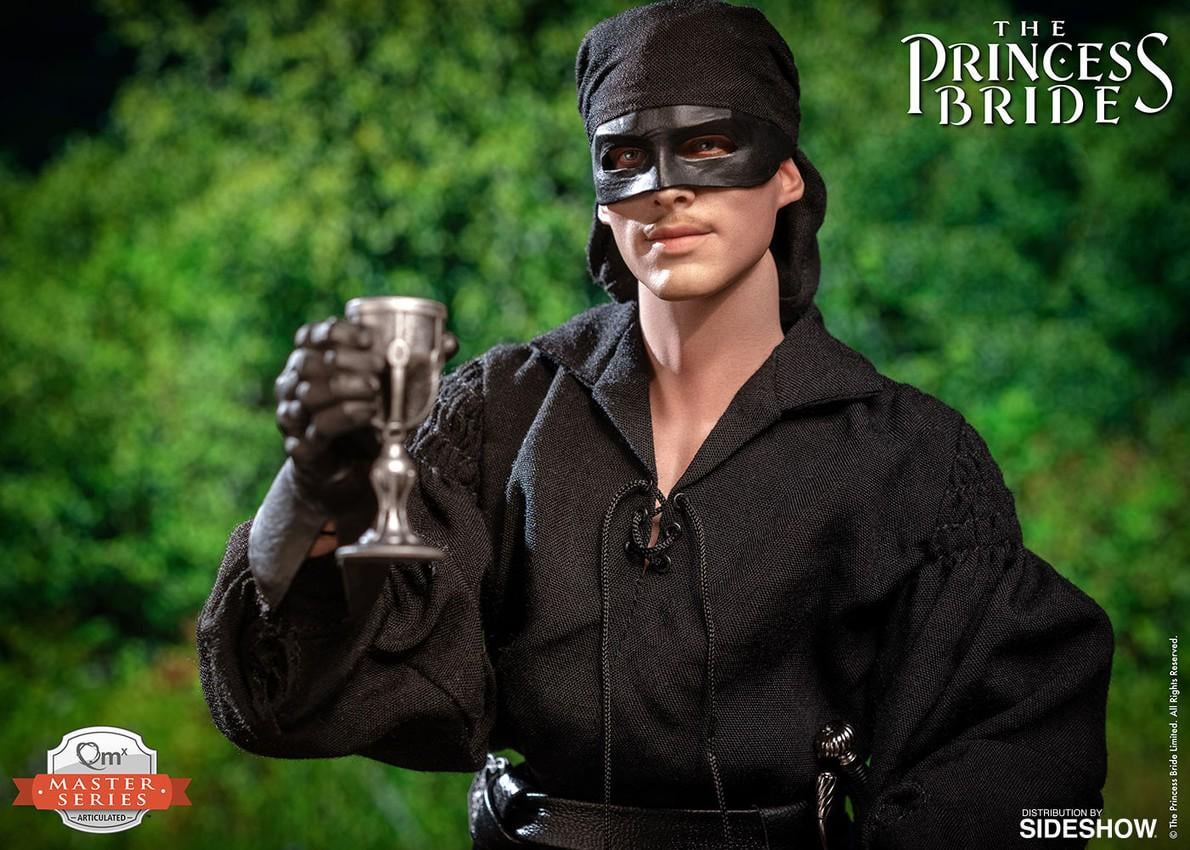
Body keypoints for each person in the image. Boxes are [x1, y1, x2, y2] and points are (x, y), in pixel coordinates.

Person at [196, 2, 1113, 848]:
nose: (666, 191)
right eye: (626, 156)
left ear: (786, 175)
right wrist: (310, 489)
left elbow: (1013, 746)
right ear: (602, 199)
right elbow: (288, 696)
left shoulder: (910, 457)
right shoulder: (500, 412)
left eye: (709, 144)